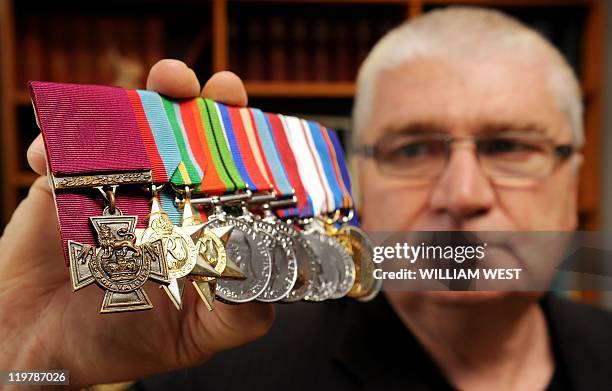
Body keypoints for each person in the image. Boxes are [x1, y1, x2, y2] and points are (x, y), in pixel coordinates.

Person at [2, 6, 612, 390]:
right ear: (355, 178)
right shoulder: (204, 374)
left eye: (509, 147)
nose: (463, 193)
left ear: (573, 177)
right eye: (411, 150)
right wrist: (21, 358)